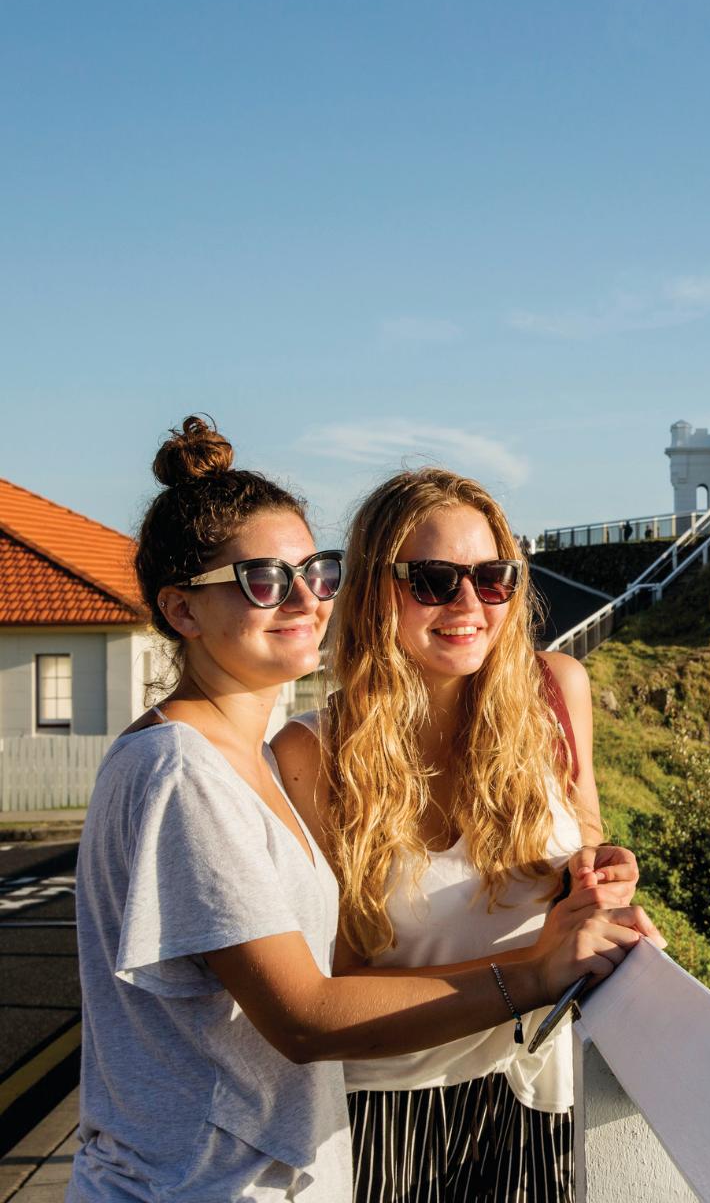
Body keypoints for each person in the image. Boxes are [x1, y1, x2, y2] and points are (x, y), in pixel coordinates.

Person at [71, 419, 654, 1202]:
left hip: (319, 1152)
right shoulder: (196, 767)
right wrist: (538, 969)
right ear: (182, 612)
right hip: (223, 1171)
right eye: (262, 582)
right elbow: (308, 1012)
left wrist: (591, 876)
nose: (306, 599)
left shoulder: (236, 758)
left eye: (315, 572)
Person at [271, 468, 648, 1201]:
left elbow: (584, 828)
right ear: (377, 590)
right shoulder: (310, 757)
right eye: (435, 580)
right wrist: (532, 971)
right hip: (386, 1116)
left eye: (492, 577)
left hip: (537, 1092)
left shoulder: (558, 694)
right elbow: (332, 990)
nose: (470, 604)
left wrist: (601, 871)